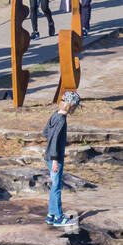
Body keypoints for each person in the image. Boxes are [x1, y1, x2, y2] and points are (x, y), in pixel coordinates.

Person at [44, 90, 79, 227]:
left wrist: (61, 142)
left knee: (54, 185)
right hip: (55, 158)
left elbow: (45, 133)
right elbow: (53, 140)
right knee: (57, 187)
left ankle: (51, 215)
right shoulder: (61, 120)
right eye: (75, 106)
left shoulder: (54, 115)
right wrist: (55, 159)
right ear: (71, 105)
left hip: (49, 155)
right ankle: (58, 217)